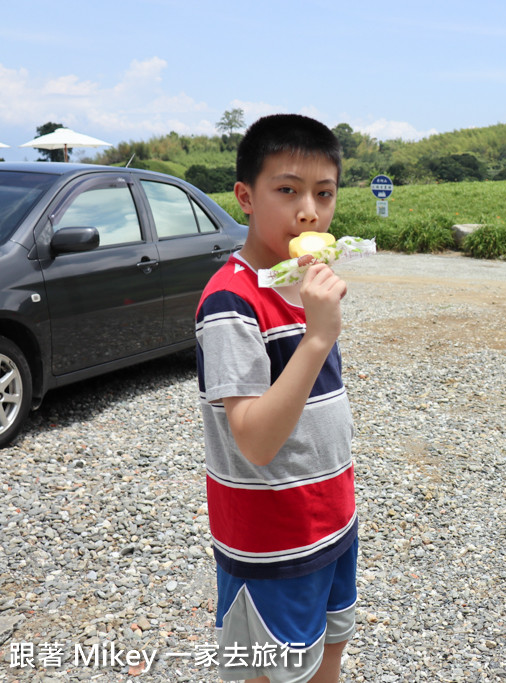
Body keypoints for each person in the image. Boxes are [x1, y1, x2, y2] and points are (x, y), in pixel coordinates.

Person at [196, 114, 356, 683]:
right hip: (271, 543)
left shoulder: (303, 283)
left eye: (324, 193)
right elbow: (257, 440)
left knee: (325, 654)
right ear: (245, 196)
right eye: (287, 190)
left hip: (331, 519)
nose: (309, 210)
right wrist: (318, 337)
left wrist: (317, 324)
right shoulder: (231, 303)